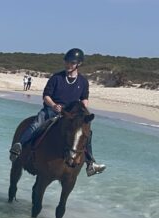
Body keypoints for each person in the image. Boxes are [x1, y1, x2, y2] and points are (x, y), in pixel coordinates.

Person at [9, 48, 106, 176]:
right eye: (67, 62)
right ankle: (19, 146)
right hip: (52, 109)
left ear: (78, 64)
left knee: (86, 133)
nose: (68, 65)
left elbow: (84, 99)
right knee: (36, 124)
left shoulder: (83, 82)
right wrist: (54, 105)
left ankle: (90, 164)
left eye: (71, 63)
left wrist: (83, 113)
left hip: (70, 115)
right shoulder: (56, 78)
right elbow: (46, 96)